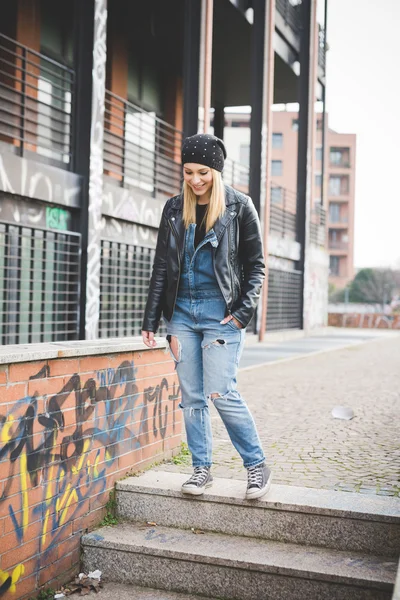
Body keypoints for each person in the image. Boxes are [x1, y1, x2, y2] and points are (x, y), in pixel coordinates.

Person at [141, 133, 271, 500]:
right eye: (188, 172)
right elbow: (162, 268)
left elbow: (257, 267)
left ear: (216, 171)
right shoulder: (172, 209)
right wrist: (151, 319)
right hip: (181, 314)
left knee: (221, 392)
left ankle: (256, 465)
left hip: (221, 314)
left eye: (203, 173)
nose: (195, 180)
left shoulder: (239, 207)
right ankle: (201, 469)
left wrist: (242, 314)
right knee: (192, 397)